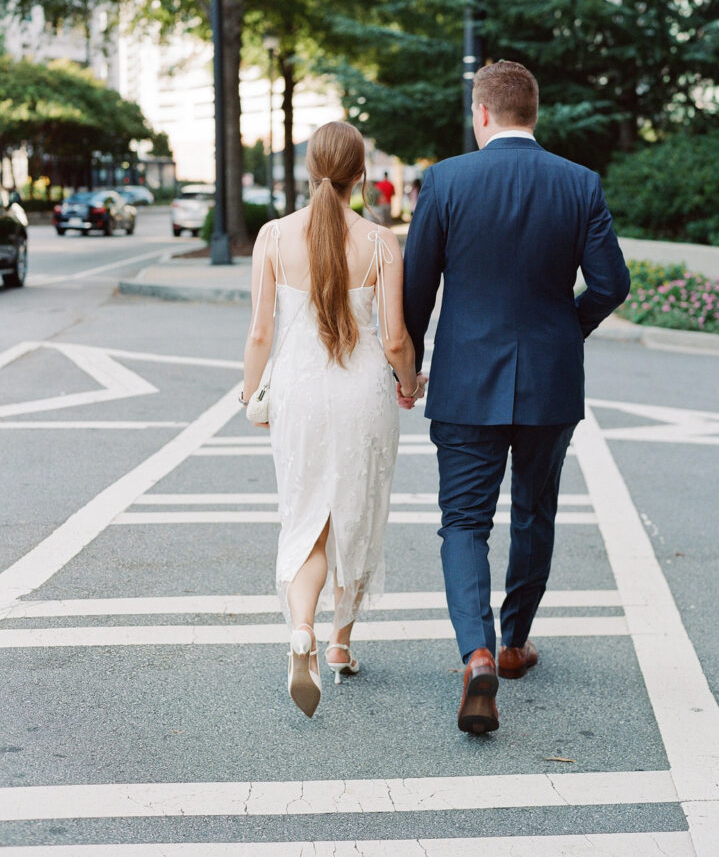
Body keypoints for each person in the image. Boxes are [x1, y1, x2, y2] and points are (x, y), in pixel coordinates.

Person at [401, 60, 630, 734]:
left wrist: (409, 365)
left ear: (482, 114)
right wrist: (568, 329)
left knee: (464, 523)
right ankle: (512, 643)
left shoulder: (445, 180)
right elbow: (612, 284)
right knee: (535, 513)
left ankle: (475, 655)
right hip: (551, 383)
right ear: (534, 112)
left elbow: (418, 288)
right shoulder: (579, 183)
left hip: (466, 380)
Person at [241, 121, 426, 718]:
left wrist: (252, 397)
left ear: (309, 170)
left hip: (296, 391)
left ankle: (303, 631)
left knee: (306, 521)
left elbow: (261, 332)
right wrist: (409, 383)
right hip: (362, 394)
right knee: (357, 516)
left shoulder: (271, 237)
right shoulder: (379, 243)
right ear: (359, 176)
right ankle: (342, 643)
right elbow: (395, 337)